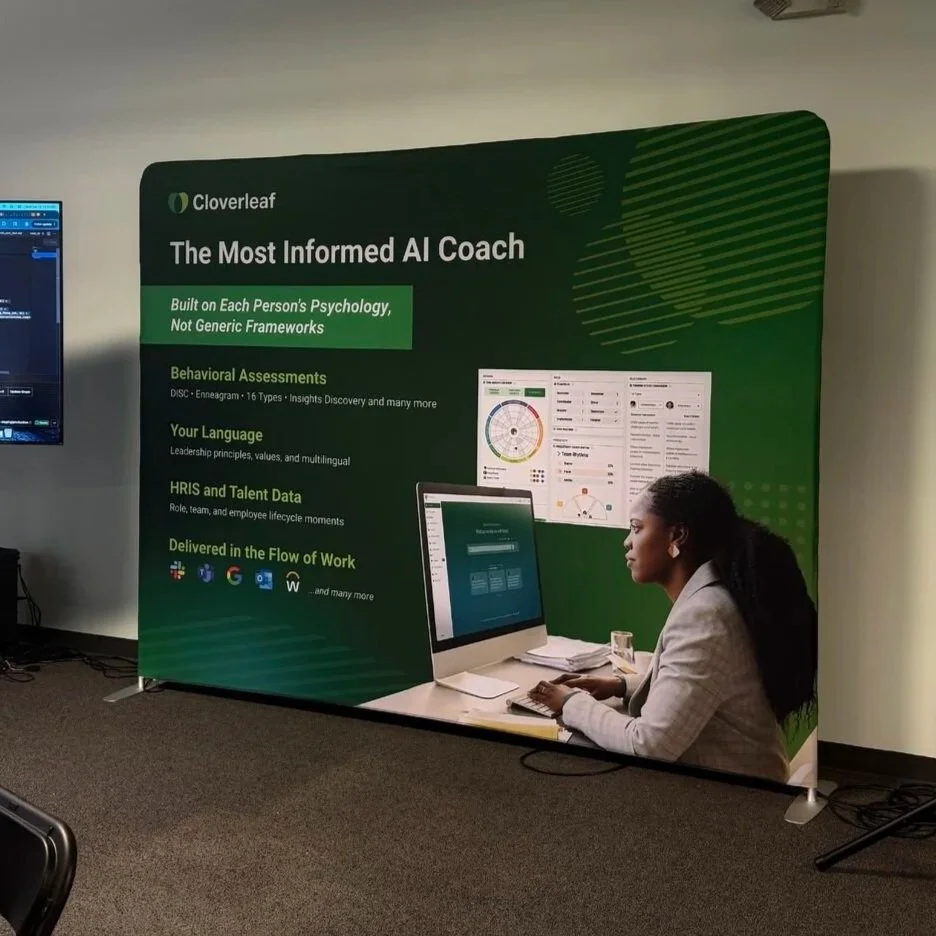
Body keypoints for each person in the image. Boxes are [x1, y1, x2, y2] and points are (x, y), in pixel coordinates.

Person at [528, 470, 818, 783]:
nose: (627, 541)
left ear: (676, 536)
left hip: (739, 797)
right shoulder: (712, 599)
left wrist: (571, 703)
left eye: (637, 528)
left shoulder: (705, 616)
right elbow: (703, 684)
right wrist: (621, 686)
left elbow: (649, 745)